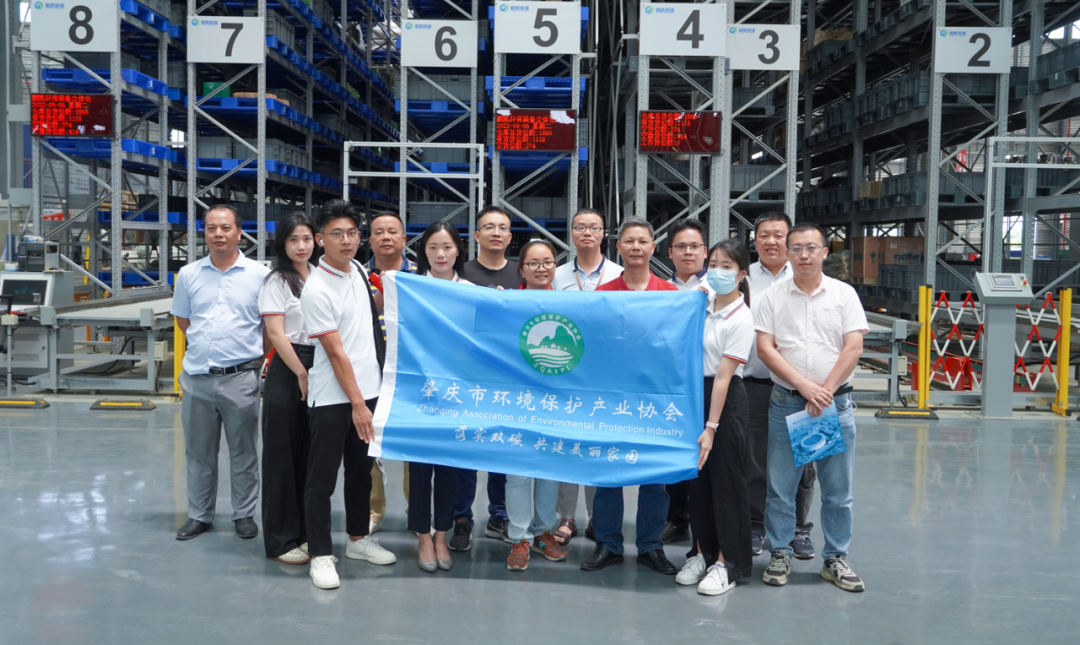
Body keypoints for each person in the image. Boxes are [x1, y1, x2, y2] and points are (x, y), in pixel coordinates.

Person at [755, 223, 868, 592]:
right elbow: (766, 348)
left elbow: (853, 347)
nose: (804, 255)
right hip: (787, 402)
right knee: (780, 487)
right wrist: (804, 386)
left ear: (824, 253)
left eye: (811, 247)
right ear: (788, 253)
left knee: (838, 490)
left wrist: (825, 391)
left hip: (834, 405)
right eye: (797, 248)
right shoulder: (773, 296)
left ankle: (835, 557)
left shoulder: (843, 294)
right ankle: (780, 552)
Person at [301, 200, 397, 590]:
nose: (346, 241)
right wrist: (358, 404)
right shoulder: (316, 288)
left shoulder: (357, 269)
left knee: (361, 473)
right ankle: (321, 554)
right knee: (321, 480)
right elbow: (336, 353)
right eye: (336, 234)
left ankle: (358, 539)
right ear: (320, 239)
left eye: (352, 233)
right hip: (333, 399)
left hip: (369, 392)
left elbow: (367, 318)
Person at [583, 218, 679, 575]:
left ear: (653, 247)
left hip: (655, 400)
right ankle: (608, 543)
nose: (636, 247)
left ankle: (650, 546)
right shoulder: (604, 294)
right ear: (618, 247)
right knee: (609, 473)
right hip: (612, 398)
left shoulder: (671, 295)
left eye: (642, 241)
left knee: (655, 476)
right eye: (629, 241)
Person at [171, 204, 269, 541]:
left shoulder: (259, 275)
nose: (218, 234)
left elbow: (269, 326)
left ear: (239, 232)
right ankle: (199, 515)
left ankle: (244, 515)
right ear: (205, 232)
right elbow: (184, 321)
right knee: (198, 452)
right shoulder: (189, 275)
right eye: (211, 228)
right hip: (197, 379)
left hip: (240, 378)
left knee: (244, 451)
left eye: (226, 228)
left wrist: (249, 359)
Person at [675, 240, 754, 596]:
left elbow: (723, 377)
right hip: (695, 396)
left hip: (723, 402)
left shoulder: (741, 317)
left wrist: (711, 427)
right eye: (713, 264)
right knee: (699, 483)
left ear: (741, 274)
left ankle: (726, 562)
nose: (717, 272)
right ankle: (702, 553)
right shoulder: (702, 307)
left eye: (727, 266)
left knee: (726, 484)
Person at [743, 212, 817, 559]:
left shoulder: (805, 276)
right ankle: (755, 526)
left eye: (778, 235)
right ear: (754, 240)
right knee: (755, 460)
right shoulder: (741, 277)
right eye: (764, 235)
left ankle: (798, 529)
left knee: (805, 459)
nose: (771, 241)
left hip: (802, 389)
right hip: (754, 385)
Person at [551, 209, 623, 545]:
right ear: (572, 232)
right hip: (565, 371)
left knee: (597, 445)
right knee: (566, 445)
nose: (587, 233)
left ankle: (598, 516)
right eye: (580, 227)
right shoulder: (557, 275)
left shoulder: (619, 275)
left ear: (604, 233)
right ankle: (566, 517)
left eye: (594, 227)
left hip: (605, 375)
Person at [449, 206, 518, 551]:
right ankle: (462, 518)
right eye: (488, 227)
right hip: (468, 376)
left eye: (502, 227)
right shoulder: (461, 273)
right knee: (467, 447)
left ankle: (499, 515)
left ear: (510, 236)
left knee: (501, 451)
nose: (496, 232)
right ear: (476, 236)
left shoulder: (520, 273)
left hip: (508, 377)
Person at [504, 239, 570, 571]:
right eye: (534, 263)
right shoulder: (507, 304)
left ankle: (544, 530)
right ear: (522, 269)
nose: (541, 268)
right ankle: (519, 538)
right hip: (517, 400)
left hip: (556, 400)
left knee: (549, 470)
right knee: (517, 473)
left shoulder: (570, 306)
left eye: (548, 262)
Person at [408, 222, 470, 573]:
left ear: (458, 250)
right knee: (419, 469)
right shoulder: (412, 288)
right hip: (419, 392)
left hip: (457, 395)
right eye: (433, 247)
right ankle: (422, 537)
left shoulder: (472, 292)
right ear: (424, 252)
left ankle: (442, 535)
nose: (440, 254)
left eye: (447, 247)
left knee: (450, 469)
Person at [258, 213, 319, 564]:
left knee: (310, 456)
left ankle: (306, 533)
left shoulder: (321, 275)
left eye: (306, 238)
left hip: (320, 364)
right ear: (282, 244)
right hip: (289, 366)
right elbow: (276, 333)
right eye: (293, 239)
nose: (301, 246)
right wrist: (300, 372)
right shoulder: (277, 280)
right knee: (282, 455)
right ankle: (280, 540)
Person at [659, 218, 712, 545]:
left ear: (705, 251)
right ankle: (677, 518)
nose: (688, 252)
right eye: (681, 246)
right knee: (674, 450)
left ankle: (706, 520)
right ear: (670, 252)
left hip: (707, 382)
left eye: (694, 246)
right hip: (670, 385)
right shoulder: (660, 290)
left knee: (709, 454)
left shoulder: (720, 286)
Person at [365, 212, 416, 535]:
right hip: (370, 373)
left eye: (392, 232)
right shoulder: (356, 276)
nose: (386, 237)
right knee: (368, 447)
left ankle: (417, 511)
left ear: (404, 239)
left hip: (411, 376)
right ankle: (373, 510)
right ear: (370, 240)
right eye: (379, 232)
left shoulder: (421, 276)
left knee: (414, 446)